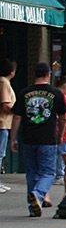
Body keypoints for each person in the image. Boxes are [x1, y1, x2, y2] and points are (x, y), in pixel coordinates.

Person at [12, 62, 66, 215]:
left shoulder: (24, 92)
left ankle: (33, 208)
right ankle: (39, 193)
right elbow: (63, 117)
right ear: (49, 74)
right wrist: (60, 134)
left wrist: (13, 138)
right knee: (48, 172)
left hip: (28, 138)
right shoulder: (56, 93)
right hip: (47, 138)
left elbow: (17, 117)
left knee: (32, 173)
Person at [0, 60, 15, 194]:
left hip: (5, 123)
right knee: (0, 153)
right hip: (2, 122)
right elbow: (5, 104)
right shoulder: (4, 82)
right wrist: (17, 110)